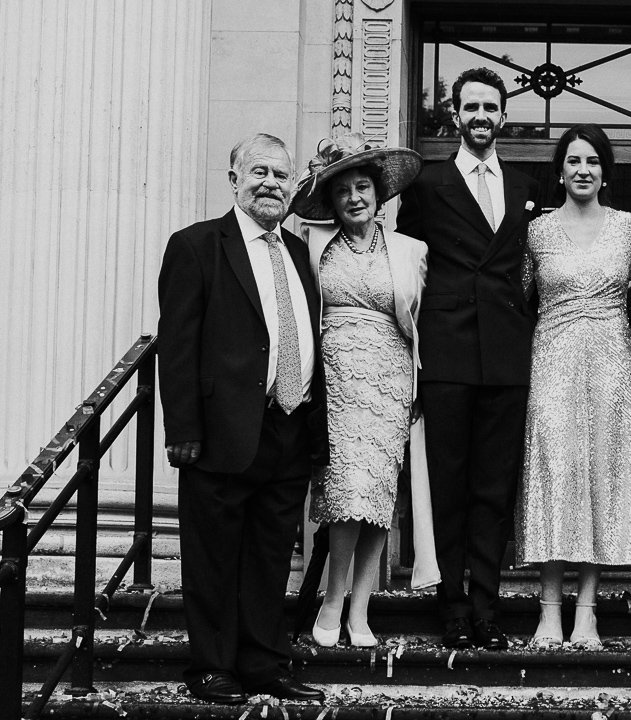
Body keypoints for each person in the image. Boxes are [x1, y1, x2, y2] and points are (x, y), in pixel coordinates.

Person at [158, 133, 325, 704]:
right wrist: (182, 429)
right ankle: (211, 667)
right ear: (233, 179)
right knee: (212, 556)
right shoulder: (197, 245)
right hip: (221, 432)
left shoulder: (299, 253)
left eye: (281, 175)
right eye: (259, 172)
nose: (271, 184)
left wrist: (313, 429)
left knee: (270, 556)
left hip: (288, 427)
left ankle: (262, 664)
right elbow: (177, 346)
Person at [396, 67, 540, 650]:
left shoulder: (528, 182)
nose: (481, 116)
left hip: (507, 355)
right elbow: (408, 267)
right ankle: (451, 604)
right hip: (449, 351)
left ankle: (486, 602)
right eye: (470, 106)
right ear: (455, 114)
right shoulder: (428, 185)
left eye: (491, 106)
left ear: (502, 116)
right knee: (449, 484)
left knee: (493, 487)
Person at [287, 134, 438, 649]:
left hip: (391, 377)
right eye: (343, 190)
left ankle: (360, 609)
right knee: (344, 495)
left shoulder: (411, 250)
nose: (354, 197)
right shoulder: (311, 244)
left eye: (364, 187)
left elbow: (418, 323)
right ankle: (332, 599)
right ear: (330, 201)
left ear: (379, 194)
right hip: (334, 377)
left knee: (377, 499)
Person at [515, 124, 631, 649]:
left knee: (600, 477)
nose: (583, 169)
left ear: (605, 171)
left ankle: (587, 611)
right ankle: (549, 610)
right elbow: (522, 296)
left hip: (613, 361)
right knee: (553, 474)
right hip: (551, 359)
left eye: (592, 160)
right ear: (560, 170)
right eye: (573, 160)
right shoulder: (538, 231)